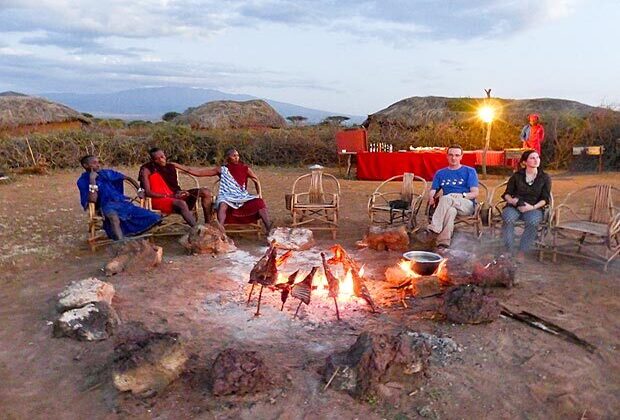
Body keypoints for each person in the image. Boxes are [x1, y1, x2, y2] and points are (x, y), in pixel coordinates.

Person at [173, 148, 272, 233]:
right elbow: (198, 172)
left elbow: (256, 179)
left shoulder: (245, 168)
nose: (236, 157)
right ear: (228, 157)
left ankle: (269, 229)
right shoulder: (222, 169)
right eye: (233, 155)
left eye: (237, 155)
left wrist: (259, 194)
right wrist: (178, 166)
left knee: (260, 202)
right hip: (226, 196)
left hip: (242, 196)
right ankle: (220, 231)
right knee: (222, 204)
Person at [77, 155, 161, 240]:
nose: (98, 165)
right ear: (85, 165)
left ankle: (131, 235)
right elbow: (92, 199)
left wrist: (139, 190)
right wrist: (92, 181)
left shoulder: (106, 173)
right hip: (104, 206)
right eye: (94, 163)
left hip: (121, 203)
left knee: (155, 218)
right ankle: (120, 243)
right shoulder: (83, 181)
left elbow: (127, 178)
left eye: (98, 162)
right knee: (114, 218)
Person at [419, 145, 479, 249]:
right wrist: (431, 197)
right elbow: (433, 190)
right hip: (448, 204)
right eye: (451, 155)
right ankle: (443, 243)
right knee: (451, 211)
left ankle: (434, 228)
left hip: (465, 203)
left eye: (457, 155)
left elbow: (475, 193)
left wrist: (462, 195)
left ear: (461, 157)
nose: (453, 158)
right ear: (447, 156)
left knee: (446, 198)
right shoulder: (440, 173)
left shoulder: (469, 171)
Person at [139, 147, 213, 227]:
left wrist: (182, 192)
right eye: (157, 159)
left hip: (175, 194)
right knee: (181, 203)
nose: (161, 160)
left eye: (162, 157)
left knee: (205, 192)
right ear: (153, 160)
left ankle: (208, 224)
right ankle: (197, 228)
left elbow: (188, 170)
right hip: (160, 199)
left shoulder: (171, 166)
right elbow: (148, 192)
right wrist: (169, 196)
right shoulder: (146, 170)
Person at [501, 149, 551, 259]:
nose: (536, 160)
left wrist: (532, 207)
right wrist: (513, 201)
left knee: (532, 222)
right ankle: (509, 249)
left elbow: (545, 199)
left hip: (534, 207)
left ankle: (522, 251)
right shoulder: (517, 176)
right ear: (525, 162)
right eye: (532, 158)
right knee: (508, 218)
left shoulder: (544, 177)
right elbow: (506, 194)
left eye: (537, 157)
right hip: (515, 206)